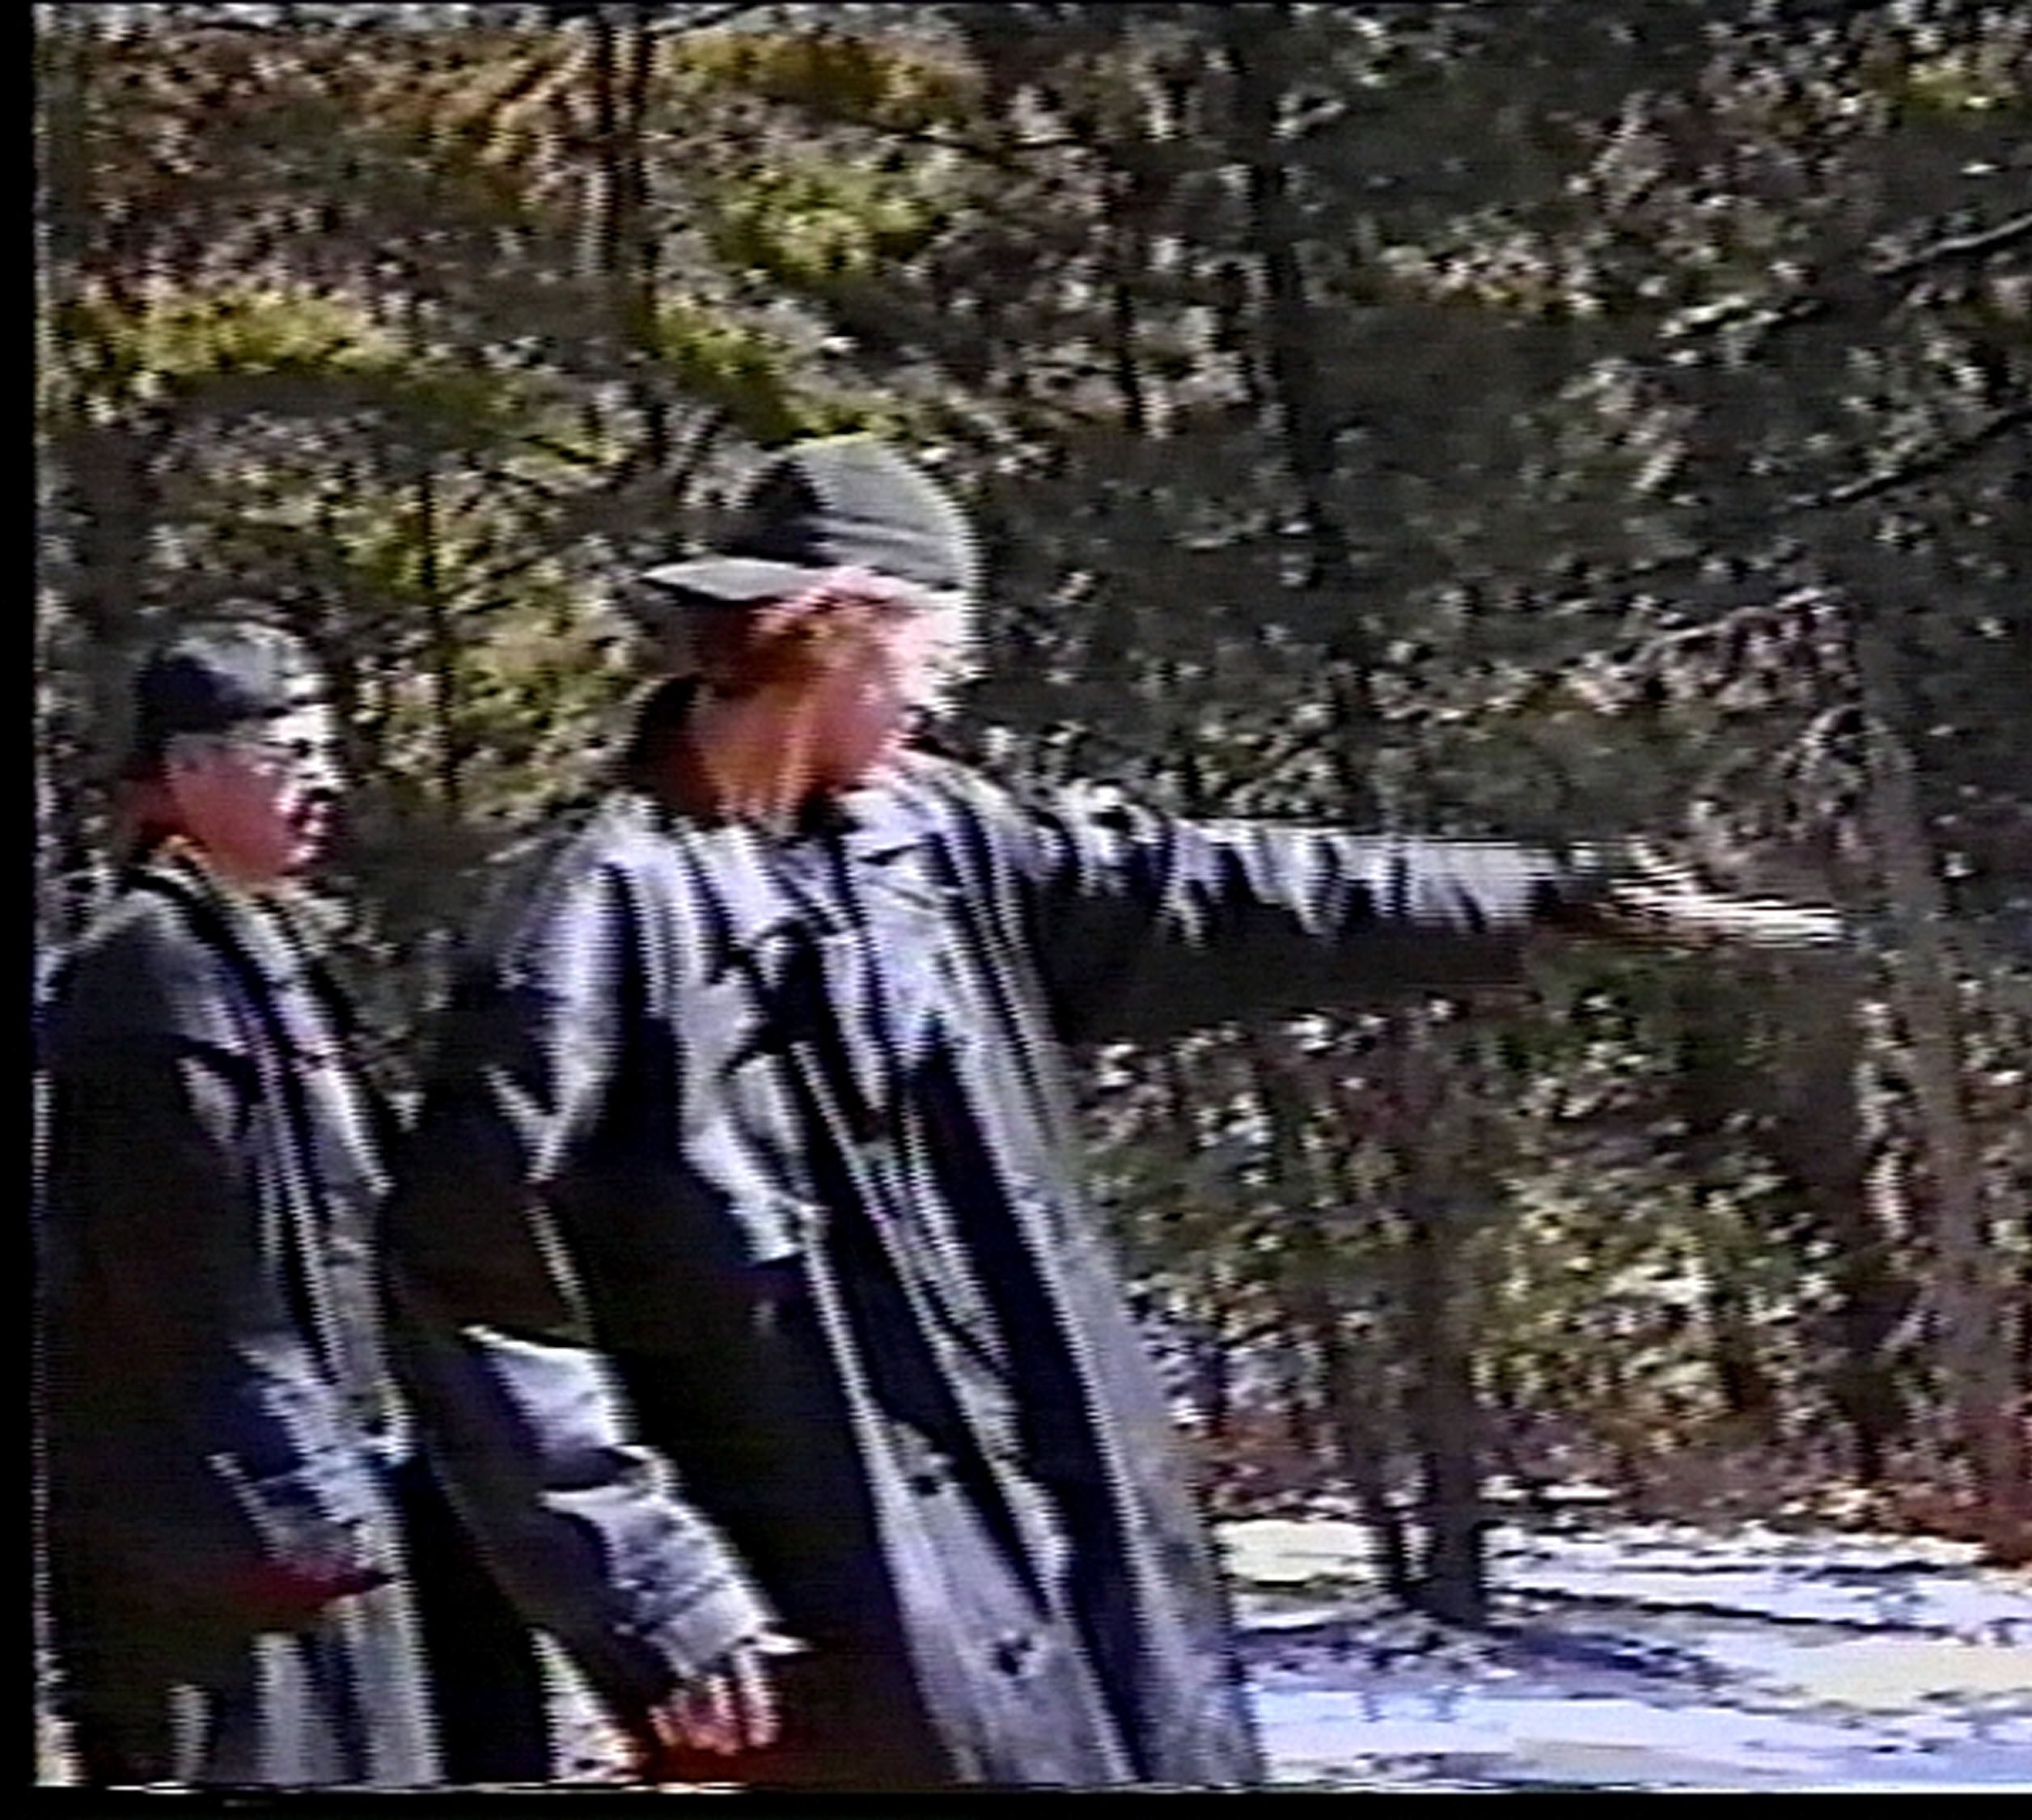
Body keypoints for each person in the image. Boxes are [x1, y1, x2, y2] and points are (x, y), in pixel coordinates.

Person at [382, 439, 1842, 1789]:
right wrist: (654, 1589)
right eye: (930, 656)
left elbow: (1224, 892)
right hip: (834, 1602)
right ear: (836, 628)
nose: (946, 696)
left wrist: (1535, 899)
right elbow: (473, 1288)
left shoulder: (939, 844)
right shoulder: (595, 918)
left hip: (1076, 1554)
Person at [36, 618, 549, 1788]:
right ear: (185, 774)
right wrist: (310, 1497)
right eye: (287, 755)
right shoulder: (148, 972)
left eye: (326, 753)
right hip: (224, 1541)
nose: (323, 785)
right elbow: (193, 1286)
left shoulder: (271, 956)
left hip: (333, 1505)